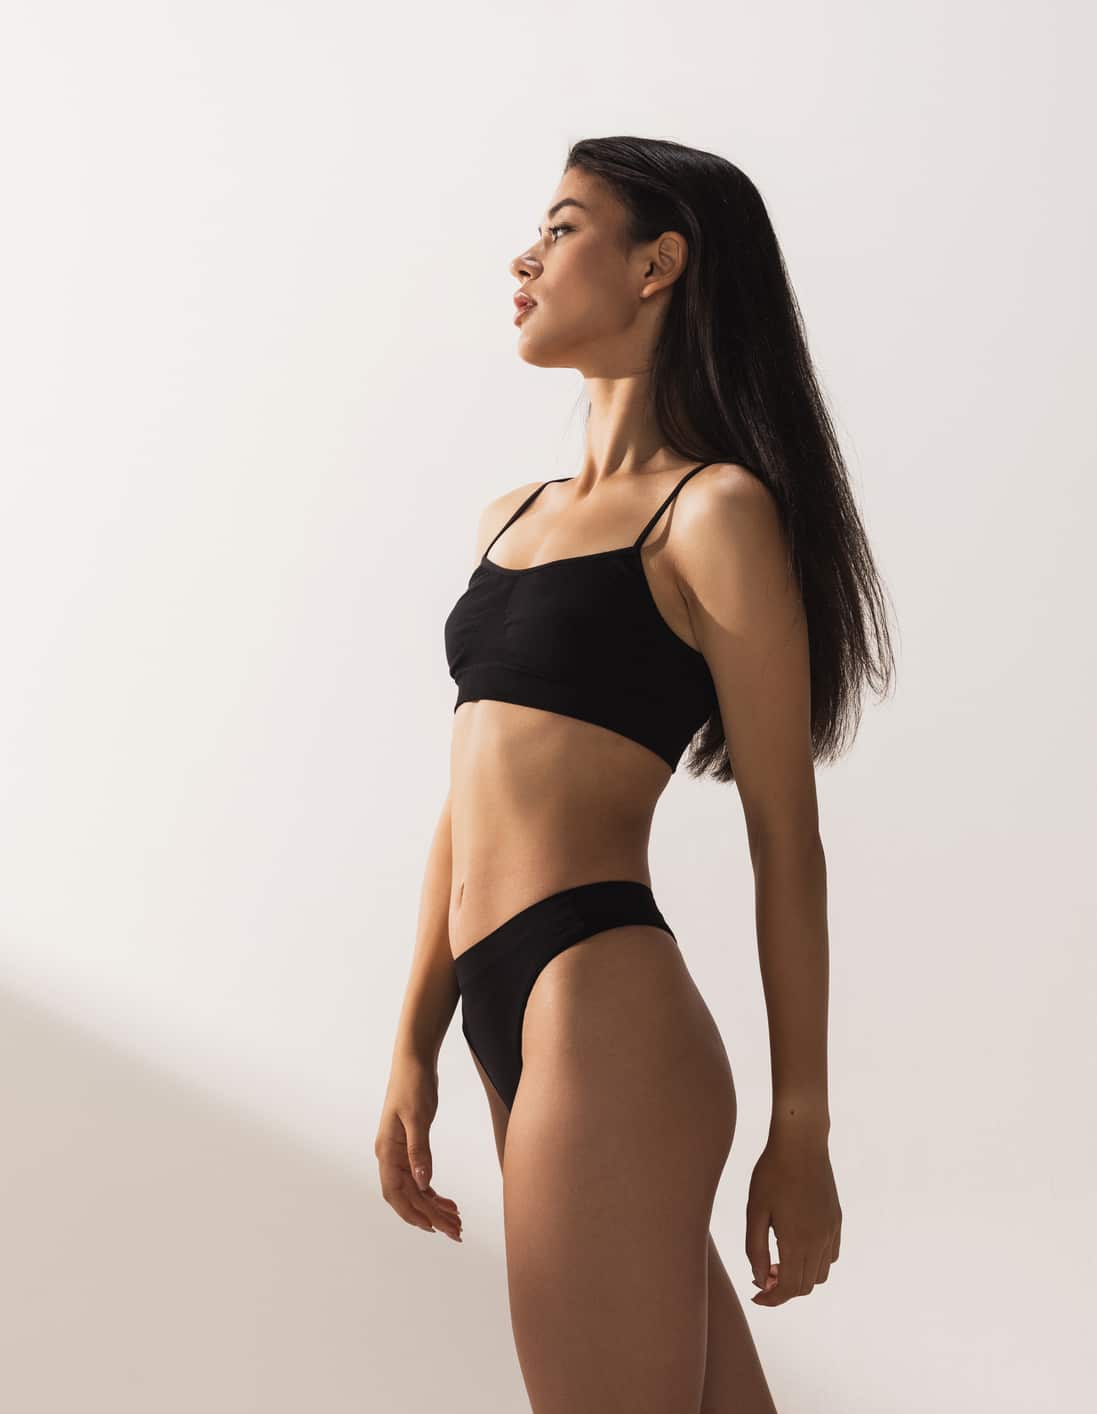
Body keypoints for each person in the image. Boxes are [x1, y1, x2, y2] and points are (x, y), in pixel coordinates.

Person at [375, 136, 894, 1413]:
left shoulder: (711, 513)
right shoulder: (509, 513)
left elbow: (788, 836)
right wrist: (414, 1038)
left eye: (560, 228)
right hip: (508, 1008)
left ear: (657, 263)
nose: (524, 255)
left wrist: (804, 1129)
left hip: (598, 1008)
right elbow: (473, 782)